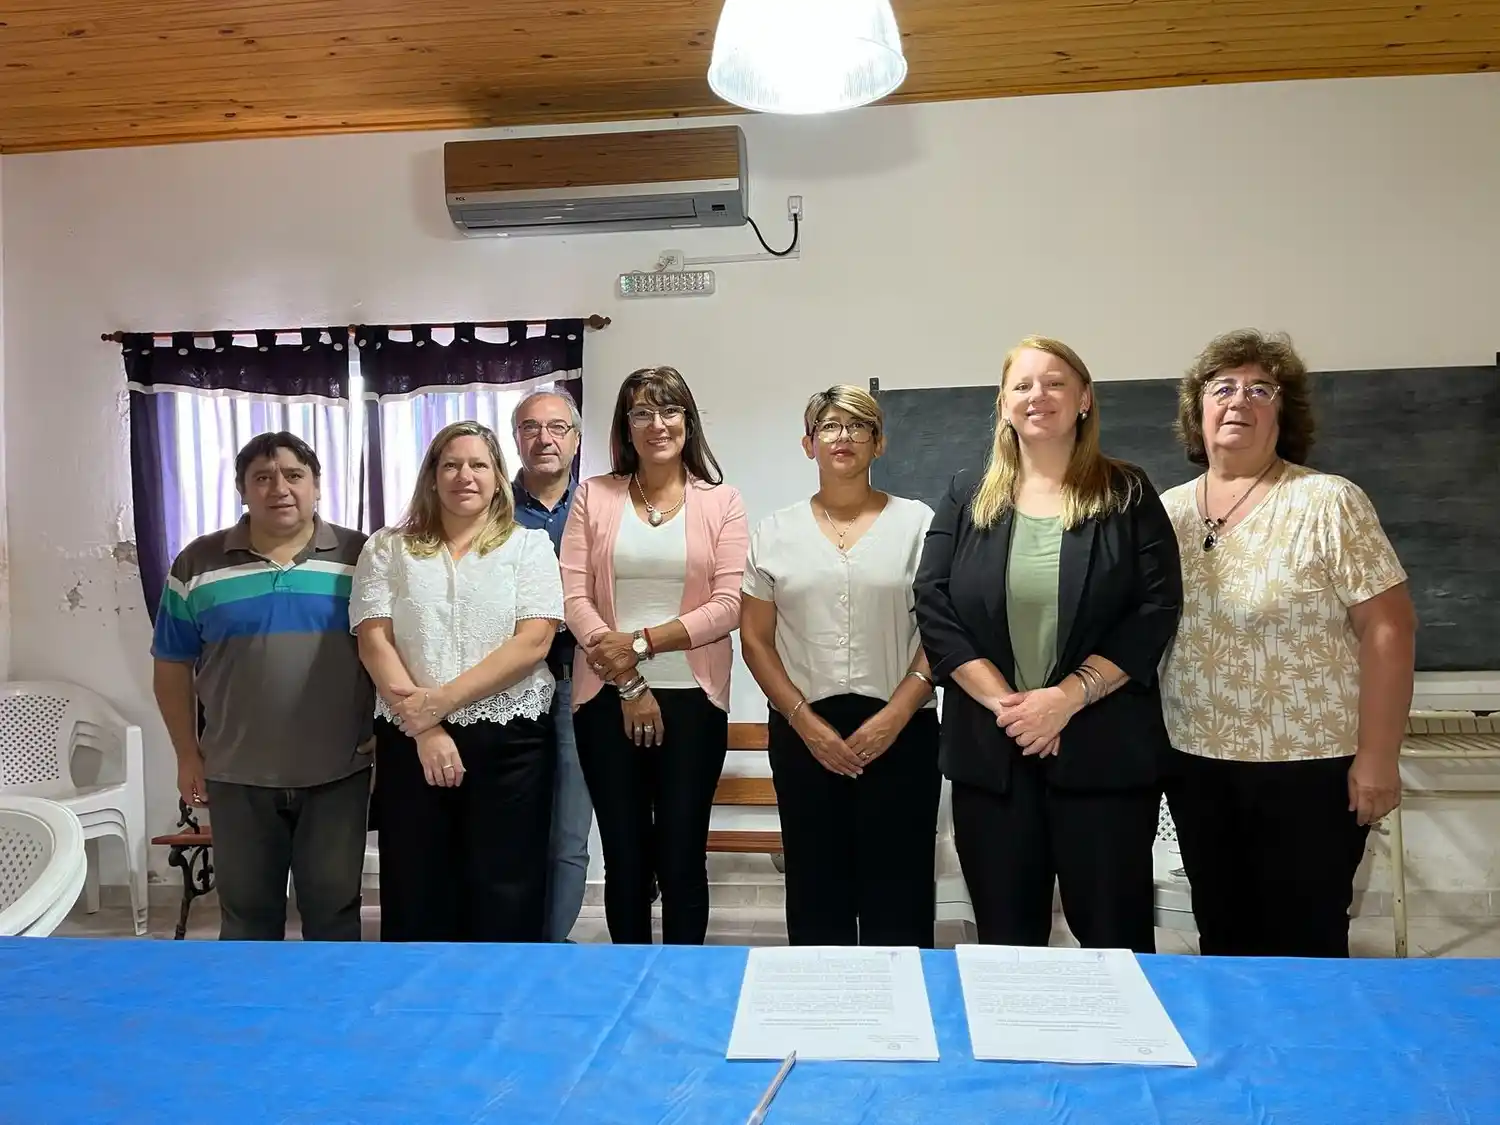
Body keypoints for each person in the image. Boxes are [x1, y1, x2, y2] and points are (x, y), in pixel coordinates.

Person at [914, 336, 1182, 954]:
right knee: (1009, 945)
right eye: (1023, 385)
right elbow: (934, 603)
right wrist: (1014, 708)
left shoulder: (1128, 492)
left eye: (1056, 382)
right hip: (994, 756)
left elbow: (1153, 610)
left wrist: (1063, 700)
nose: (1040, 396)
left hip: (1105, 755)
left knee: (1116, 942)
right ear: (1003, 404)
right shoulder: (966, 494)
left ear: (1084, 399)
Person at [1160, 329, 1416, 958]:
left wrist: (1378, 758)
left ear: (1284, 411)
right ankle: (1240, 1058)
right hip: (1197, 766)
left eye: (1260, 389)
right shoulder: (1165, 513)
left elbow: (1389, 628)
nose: (1238, 401)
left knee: (1307, 945)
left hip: (1311, 770)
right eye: (1222, 388)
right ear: (1198, 409)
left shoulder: (1328, 501)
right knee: (1221, 937)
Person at [151, 432, 373, 941]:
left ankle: (331, 1017)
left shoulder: (361, 557)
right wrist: (188, 754)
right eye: (263, 478)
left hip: (338, 770)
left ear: (317, 486)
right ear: (242, 489)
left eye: (295, 476)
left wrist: (389, 728)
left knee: (334, 910)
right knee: (248, 917)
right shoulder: (197, 563)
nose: (280, 488)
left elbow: (394, 650)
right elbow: (171, 664)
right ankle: (250, 1020)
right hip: (236, 773)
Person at [741, 385, 940, 947]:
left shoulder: (918, 524)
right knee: (815, 889)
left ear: (879, 444)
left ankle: (901, 1025)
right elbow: (755, 639)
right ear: (808, 444)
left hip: (901, 730)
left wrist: (896, 716)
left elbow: (942, 632)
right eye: (829, 426)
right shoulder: (774, 531)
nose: (843, 436)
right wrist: (805, 723)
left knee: (898, 894)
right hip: (806, 734)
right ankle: (822, 1020)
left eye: (858, 427)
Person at [350, 420, 563, 942]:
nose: (463, 476)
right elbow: (374, 640)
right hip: (411, 740)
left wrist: (440, 702)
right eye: (450, 464)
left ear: (497, 478)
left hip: (510, 739)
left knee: (505, 885)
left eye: (478, 465)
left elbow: (534, 641)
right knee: (417, 881)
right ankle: (419, 1009)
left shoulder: (528, 547)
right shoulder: (387, 548)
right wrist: (425, 728)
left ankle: (501, 1004)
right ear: (431, 476)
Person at [561, 366, 749, 945]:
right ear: (625, 425)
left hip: (694, 700)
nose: (656, 423)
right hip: (604, 702)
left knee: (682, 855)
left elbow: (727, 606)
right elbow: (573, 598)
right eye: (641, 412)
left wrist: (640, 643)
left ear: (688, 423)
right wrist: (628, 681)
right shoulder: (594, 494)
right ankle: (629, 984)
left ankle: (684, 983)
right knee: (625, 857)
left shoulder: (723, 502)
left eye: (669, 411)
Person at [511, 387, 592, 943]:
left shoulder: (600, 508)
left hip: (576, 687)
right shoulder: (486, 505)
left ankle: (552, 944)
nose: (545, 439)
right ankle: (506, 940)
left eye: (558, 428)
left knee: (568, 833)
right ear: (516, 439)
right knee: (507, 826)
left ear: (577, 439)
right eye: (532, 428)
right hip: (502, 688)